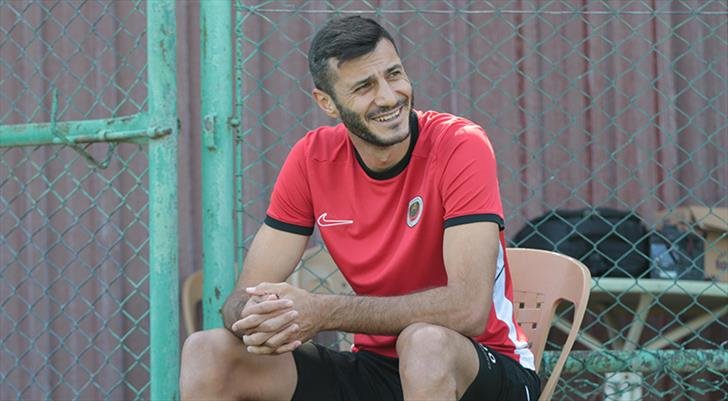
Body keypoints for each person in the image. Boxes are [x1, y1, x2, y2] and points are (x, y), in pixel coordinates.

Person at [180, 16, 540, 401]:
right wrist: (256, 316)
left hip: (481, 365)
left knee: (424, 344)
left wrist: (323, 312)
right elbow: (241, 297)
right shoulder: (312, 159)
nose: (388, 97)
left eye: (394, 74)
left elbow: (467, 309)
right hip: (375, 368)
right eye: (364, 86)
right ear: (327, 103)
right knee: (207, 352)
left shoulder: (459, 144)